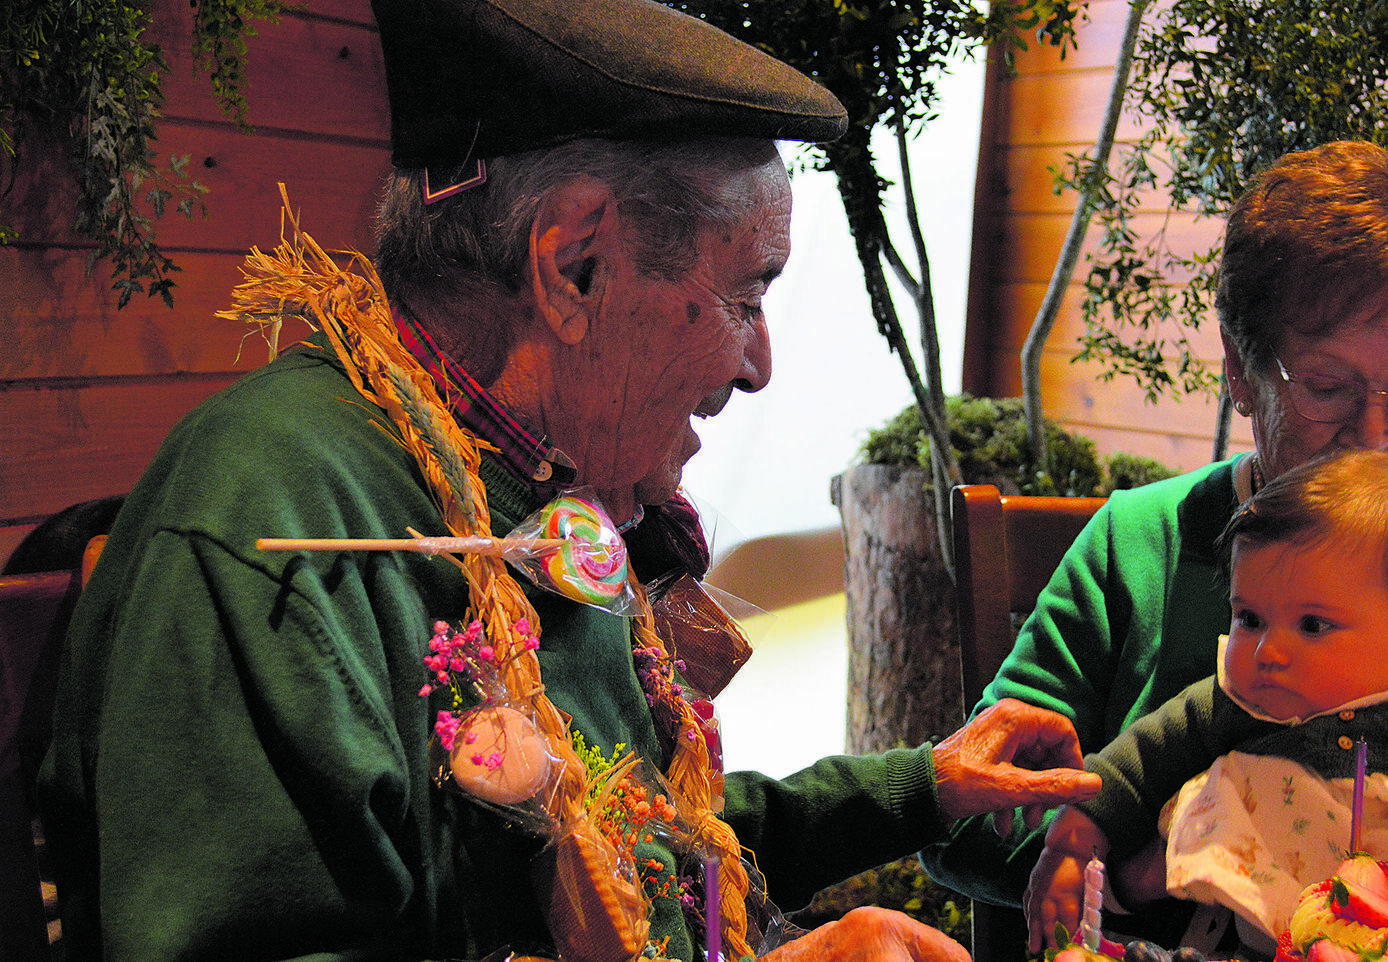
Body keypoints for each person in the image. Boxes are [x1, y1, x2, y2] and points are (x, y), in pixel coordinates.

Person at [36, 1, 1102, 960]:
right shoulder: (274, 522)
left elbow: (636, 847)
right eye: (746, 294)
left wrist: (922, 784)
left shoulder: (541, 492)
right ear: (572, 266)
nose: (758, 364)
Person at [921, 140, 1388, 940]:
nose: (1373, 436)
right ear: (1242, 373)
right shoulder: (1136, 551)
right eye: (1326, 387)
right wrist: (1150, 861)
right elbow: (965, 820)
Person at [1022, 448, 1388, 954]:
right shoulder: (1235, 703)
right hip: (1270, 945)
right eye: (1249, 618)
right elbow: (1135, 765)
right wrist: (1073, 841)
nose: (1268, 651)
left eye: (1313, 625)